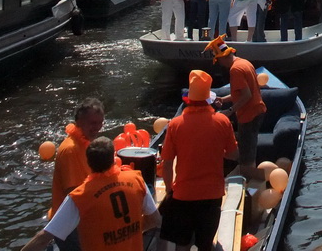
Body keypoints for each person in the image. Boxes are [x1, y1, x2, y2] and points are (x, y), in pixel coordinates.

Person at [21, 136, 159, 251]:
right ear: (113, 158)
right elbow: (155, 220)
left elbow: (43, 238)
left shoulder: (80, 196)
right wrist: (128, 231)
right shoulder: (136, 180)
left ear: (88, 162)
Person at [158, 69, 239, 251]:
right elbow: (233, 155)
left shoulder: (175, 125)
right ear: (209, 98)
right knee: (205, 245)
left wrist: (170, 189)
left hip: (183, 195)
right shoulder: (222, 122)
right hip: (212, 194)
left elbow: (168, 163)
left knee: (182, 244)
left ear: (188, 99)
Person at [206, 37, 266, 183]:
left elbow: (246, 95)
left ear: (223, 57)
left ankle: (265, 181)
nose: (220, 64)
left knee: (245, 164)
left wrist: (230, 110)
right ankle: (254, 182)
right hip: (258, 111)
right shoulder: (245, 63)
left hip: (249, 116)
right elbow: (240, 93)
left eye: (218, 60)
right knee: (249, 155)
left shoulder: (235, 70)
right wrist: (224, 99)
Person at [49, 98, 105, 251]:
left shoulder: (86, 143)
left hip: (82, 220)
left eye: (100, 122)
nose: (97, 128)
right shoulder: (71, 150)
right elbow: (73, 195)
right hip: (72, 224)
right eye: (93, 123)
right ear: (79, 122)